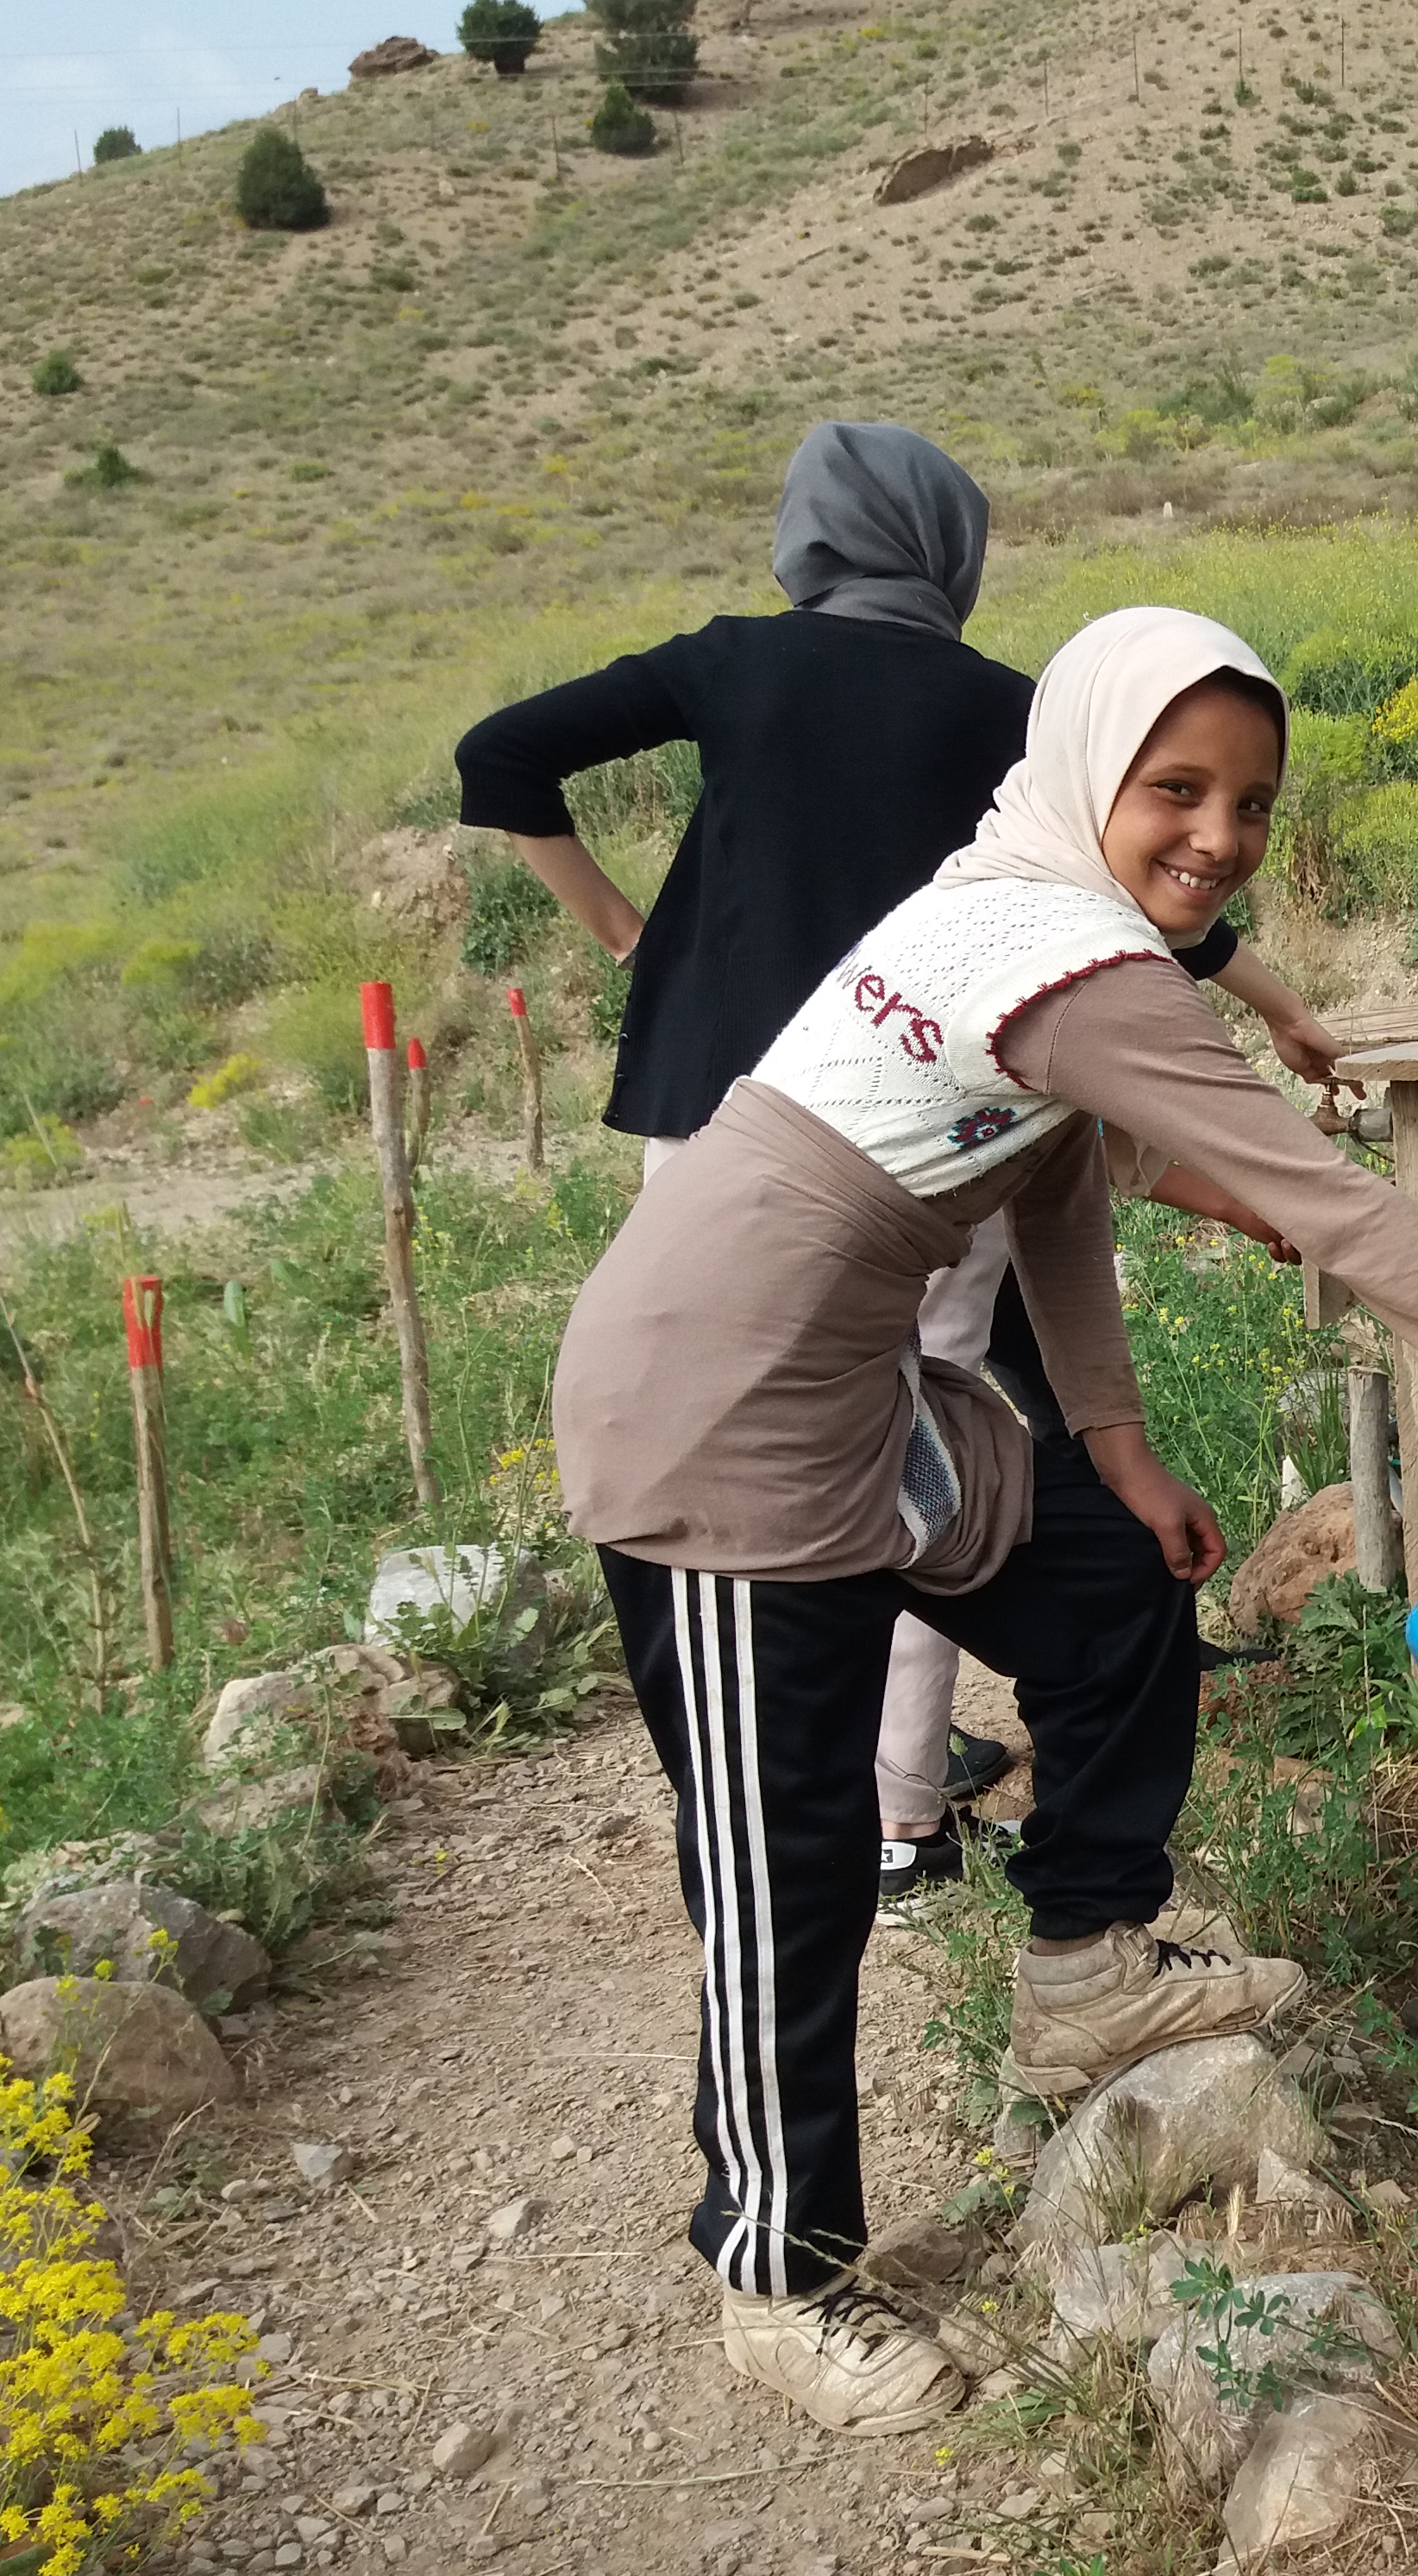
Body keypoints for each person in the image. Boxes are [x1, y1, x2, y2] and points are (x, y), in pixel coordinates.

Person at [549, 605, 1418, 2437]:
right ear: (1092, 768)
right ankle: (779, 2273)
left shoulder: (1047, 930)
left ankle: (1085, 1974)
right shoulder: (1055, 945)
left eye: (1252, 803)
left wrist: (1113, 1443)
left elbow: (1055, 1199)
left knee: (1112, 1589)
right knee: (792, 1853)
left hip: (861, 1392)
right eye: (1179, 788)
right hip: (709, 1407)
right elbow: (1324, 1199)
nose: (1219, 837)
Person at [453, 423, 1344, 1898]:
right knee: (913, 1454)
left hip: (721, 1122)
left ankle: (791, 1774)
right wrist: (1276, 1009)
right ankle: (898, 1804)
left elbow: (502, 756)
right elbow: (1143, 884)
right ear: (953, 548)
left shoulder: (732, 663)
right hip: (913, 1116)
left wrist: (632, 934)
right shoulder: (1001, 705)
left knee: (738, 1431)